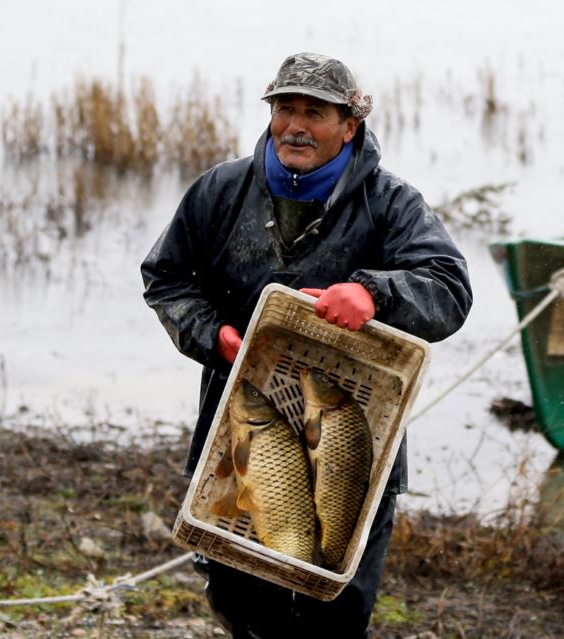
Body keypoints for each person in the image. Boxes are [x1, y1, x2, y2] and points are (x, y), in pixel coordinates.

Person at [140, 52, 473, 637]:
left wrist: (374, 293)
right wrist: (211, 335)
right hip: (240, 420)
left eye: (314, 112)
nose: (296, 125)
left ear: (350, 125)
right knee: (239, 598)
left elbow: (449, 290)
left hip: (355, 432)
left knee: (335, 610)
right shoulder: (219, 191)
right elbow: (167, 279)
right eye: (284, 108)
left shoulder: (392, 204)